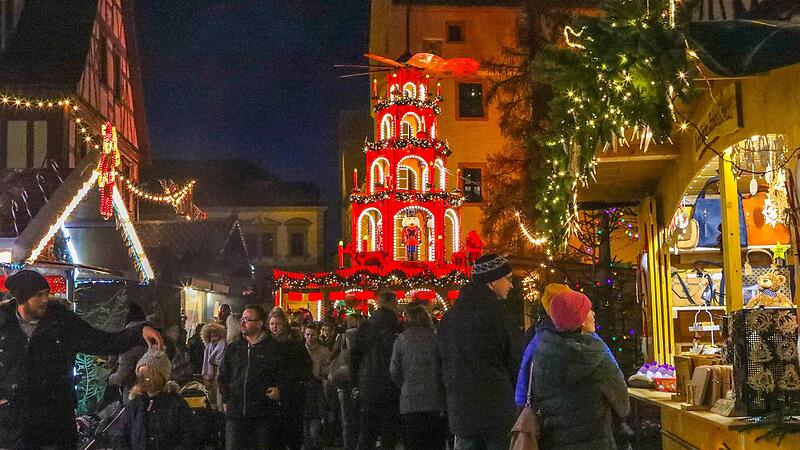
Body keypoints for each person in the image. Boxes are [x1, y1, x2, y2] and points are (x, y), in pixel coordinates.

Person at [0, 269, 163, 449]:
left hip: (55, 424)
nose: (45, 299)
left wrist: (138, 332)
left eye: (47, 294)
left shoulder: (61, 322)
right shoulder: (4, 325)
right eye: (39, 295)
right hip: (13, 428)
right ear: (22, 298)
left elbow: (101, 342)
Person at [437, 254, 518, 450]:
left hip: (461, 410)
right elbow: (513, 360)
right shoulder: (498, 315)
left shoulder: (450, 317)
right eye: (508, 279)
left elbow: (440, 362)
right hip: (496, 410)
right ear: (492, 280)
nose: (511, 285)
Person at [531, 290, 630, 449]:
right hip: (597, 442)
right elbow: (623, 405)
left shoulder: (542, 355)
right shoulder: (597, 357)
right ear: (581, 320)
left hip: (554, 442)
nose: (593, 313)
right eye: (588, 310)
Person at [515, 283, 618, 407]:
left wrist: (521, 401)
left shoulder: (541, 338)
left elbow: (526, 368)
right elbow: (613, 373)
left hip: (550, 416)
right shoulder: (592, 341)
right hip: (590, 415)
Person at [218, 305, 280, 450]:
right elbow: (223, 374)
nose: (243, 322)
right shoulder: (234, 348)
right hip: (236, 413)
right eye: (242, 319)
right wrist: (226, 398)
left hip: (262, 414)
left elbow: (282, 374)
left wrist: (279, 390)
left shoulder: (272, 348)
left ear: (259, 323)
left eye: (248, 319)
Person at [350, 292, 403, 450]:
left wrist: (356, 382)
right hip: (392, 387)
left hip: (369, 386)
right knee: (389, 434)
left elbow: (354, 356)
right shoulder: (397, 327)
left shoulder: (366, 326)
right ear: (393, 304)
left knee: (367, 433)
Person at [111, 349, 195, 449]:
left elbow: (189, 437)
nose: (147, 379)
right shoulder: (134, 405)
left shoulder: (176, 404)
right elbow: (120, 435)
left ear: (162, 377)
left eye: (151, 375)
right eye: (143, 375)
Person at [390, 304, 446, 450]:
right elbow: (444, 367)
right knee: (435, 443)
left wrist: (404, 385)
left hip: (410, 401)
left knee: (414, 442)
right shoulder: (435, 339)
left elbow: (394, 370)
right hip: (435, 400)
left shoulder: (401, 340)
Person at [269, 307, 313, 450]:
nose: (274, 327)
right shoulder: (266, 344)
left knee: (293, 437)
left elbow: (305, 370)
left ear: (284, 324)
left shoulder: (294, 345)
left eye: (278, 324)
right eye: (272, 324)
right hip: (271, 399)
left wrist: (285, 388)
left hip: (292, 398)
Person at [330, 313, 365, 450]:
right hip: (360, 379)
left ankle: (348, 445)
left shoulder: (342, 337)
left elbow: (332, 356)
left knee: (347, 418)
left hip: (343, 379)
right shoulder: (364, 337)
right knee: (360, 416)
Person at [108, 303, 149, 401]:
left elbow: (122, 375)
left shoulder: (129, 343)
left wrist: (110, 378)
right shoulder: (155, 338)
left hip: (134, 393)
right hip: (154, 392)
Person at [304, 323, 331, 449]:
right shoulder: (300, 349)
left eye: (312, 334)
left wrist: (319, 374)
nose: (310, 337)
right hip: (303, 387)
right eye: (307, 334)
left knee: (316, 417)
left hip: (318, 386)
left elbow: (327, 371)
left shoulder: (324, 351)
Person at [202, 322, 227, 411]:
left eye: (215, 336)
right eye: (211, 336)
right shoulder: (208, 348)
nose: (213, 339)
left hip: (220, 373)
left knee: (219, 396)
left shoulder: (224, 347)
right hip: (211, 375)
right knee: (212, 397)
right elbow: (205, 363)